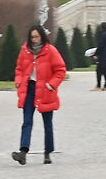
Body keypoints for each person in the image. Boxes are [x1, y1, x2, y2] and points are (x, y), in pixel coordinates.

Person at [12, 26, 66, 165]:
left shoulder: (51, 51)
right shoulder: (25, 50)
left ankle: (47, 153)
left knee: (47, 123)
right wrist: (18, 82)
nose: (34, 40)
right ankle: (23, 152)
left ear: (42, 36)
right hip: (29, 89)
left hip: (45, 90)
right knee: (27, 121)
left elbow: (60, 70)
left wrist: (51, 85)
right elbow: (19, 69)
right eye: (32, 37)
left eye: (36, 37)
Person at [93, 22, 106, 89]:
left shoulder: (103, 35)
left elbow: (100, 46)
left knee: (98, 70)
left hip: (102, 55)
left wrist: (96, 54)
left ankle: (98, 85)